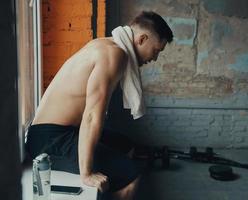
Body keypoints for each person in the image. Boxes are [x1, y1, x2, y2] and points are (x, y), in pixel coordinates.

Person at [25, 11, 173, 200]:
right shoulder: (114, 54)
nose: (154, 58)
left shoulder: (105, 44)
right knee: (131, 176)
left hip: (62, 132)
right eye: (156, 51)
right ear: (142, 39)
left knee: (125, 145)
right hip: (49, 140)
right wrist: (86, 173)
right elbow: (92, 116)